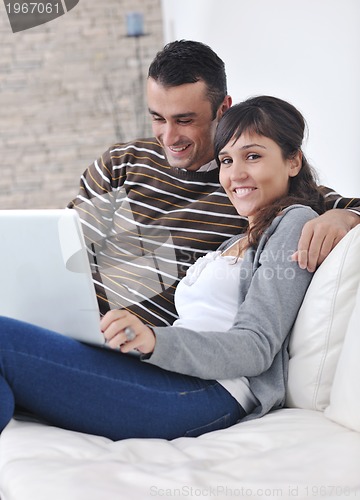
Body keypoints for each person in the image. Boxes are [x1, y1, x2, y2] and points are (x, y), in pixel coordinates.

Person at [1, 95, 325, 440]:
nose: (235, 174)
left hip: (207, 394)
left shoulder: (294, 224)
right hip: (169, 375)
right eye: (226, 160)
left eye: (253, 156)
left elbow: (256, 346)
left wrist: (155, 340)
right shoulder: (235, 240)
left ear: (293, 161)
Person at [67, 40, 360, 328]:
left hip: (143, 351)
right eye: (158, 118)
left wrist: (342, 216)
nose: (169, 137)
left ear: (222, 109)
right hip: (75, 321)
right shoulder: (122, 163)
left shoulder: (250, 188)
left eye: (184, 120)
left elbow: (342, 206)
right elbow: (64, 250)